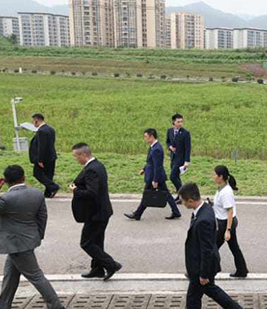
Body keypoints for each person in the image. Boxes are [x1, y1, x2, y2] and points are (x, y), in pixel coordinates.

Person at [0, 165, 65, 309]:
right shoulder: (36, 193)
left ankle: (55, 306)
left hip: (16, 245)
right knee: (10, 273)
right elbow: (42, 216)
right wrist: (38, 235)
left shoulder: (5, 199)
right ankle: (3, 305)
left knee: (35, 275)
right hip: (28, 240)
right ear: (23, 178)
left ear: (5, 181)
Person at [175, 183, 248, 309]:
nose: (181, 204)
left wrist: (203, 273)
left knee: (193, 297)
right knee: (210, 289)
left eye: (182, 201)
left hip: (202, 265)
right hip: (203, 264)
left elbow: (206, 250)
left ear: (190, 200)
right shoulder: (206, 208)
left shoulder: (203, 220)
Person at [70, 143, 122, 280]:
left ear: (83, 155)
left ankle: (111, 265)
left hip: (96, 214)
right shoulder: (97, 165)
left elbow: (91, 193)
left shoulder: (91, 170)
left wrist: (75, 190)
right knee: (97, 242)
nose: (76, 159)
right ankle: (97, 269)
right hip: (100, 211)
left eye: (76, 156)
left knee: (86, 243)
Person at [126, 128, 182, 221]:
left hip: (154, 177)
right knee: (166, 194)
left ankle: (137, 214)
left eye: (146, 136)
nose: (145, 138)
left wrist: (155, 180)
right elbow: (150, 161)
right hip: (154, 176)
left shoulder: (157, 149)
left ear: (151, 136)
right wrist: (144, 169)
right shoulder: (153, 146)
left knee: (146, 194)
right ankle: (176, 212)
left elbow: (157, 166)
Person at [212, 165, 248, 278]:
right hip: (225, 222)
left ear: (221, 177)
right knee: (234, 247)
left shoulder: (226, 192)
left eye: (214, 174)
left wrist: (227, 230)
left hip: (225, 224)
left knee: (211, 248)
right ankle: (242, 270)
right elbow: (222, 207)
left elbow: (230, 212)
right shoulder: (221, 188)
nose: (213, 177)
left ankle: (207, 271)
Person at [28, 113, 59, 198]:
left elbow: (42, 146)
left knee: (37, 173)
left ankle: (54, 187)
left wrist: (40, 159)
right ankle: (48, 193)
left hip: (44, 157)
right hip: (51, 155)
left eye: (33, 121)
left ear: (36, 121)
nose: (33, 123)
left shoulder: (41, 131)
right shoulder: (50, 129)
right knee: (49, 175)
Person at [165, 113, 191, 201]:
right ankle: (181, 196)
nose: (180, 123)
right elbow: (167, 141)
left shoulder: (185, 133)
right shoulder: (170, 131)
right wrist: (170, 147)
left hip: (181, 158)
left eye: (181, 121)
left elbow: (188, 148)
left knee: (172, 177)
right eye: (178, 121)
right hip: (173, 158)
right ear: (173, 122)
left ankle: (183, 195)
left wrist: (187, 161)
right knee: (176, 177)